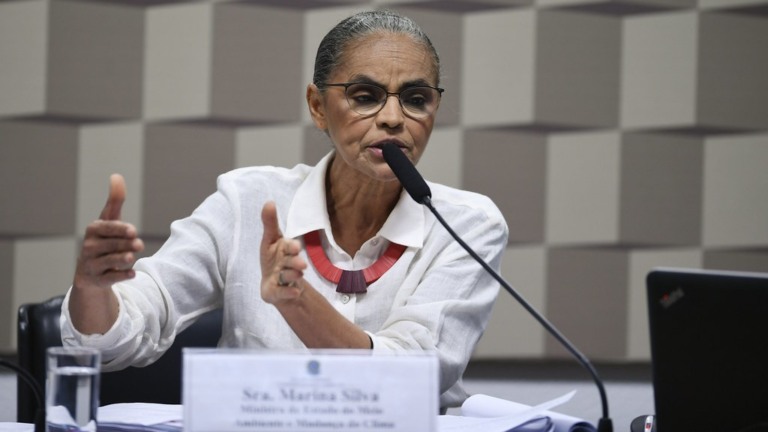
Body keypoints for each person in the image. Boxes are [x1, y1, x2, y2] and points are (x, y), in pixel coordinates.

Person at [61, 9, 508, 409]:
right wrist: (93, 287)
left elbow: (413, 376)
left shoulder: (467, 224)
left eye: (415, 99)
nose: (393, 117)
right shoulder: (247, 201)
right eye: (365, 95)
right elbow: (117, 339)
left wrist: (298, 304)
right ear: (318, 106)